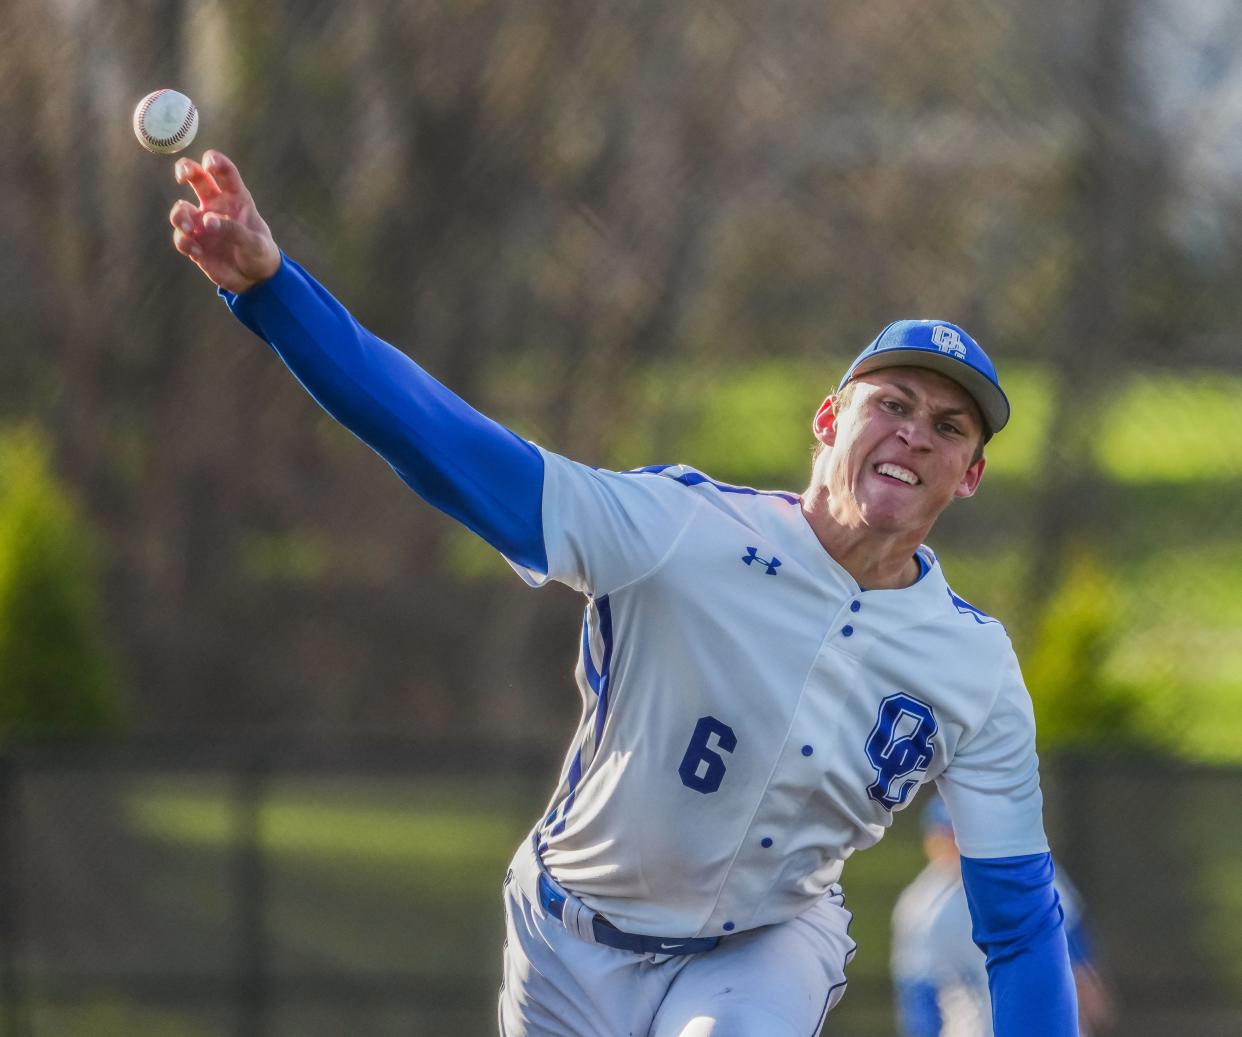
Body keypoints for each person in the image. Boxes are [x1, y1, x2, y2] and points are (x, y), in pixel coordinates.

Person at [167, 149, 1078, 1036]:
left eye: (948, 426)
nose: (917, 434)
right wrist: (275, 292)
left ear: (969, 475)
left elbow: (1020, 922)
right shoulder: (681, 533)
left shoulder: (974, 666)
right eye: (894, 405)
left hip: (761, 946)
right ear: (830, 421)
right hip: (567, 939)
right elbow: (451, 448)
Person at [892, 797, 1114, 1037]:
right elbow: (920, 993)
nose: (957, 843)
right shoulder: (923, 909)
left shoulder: (1030, 873)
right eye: (949, 834)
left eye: (964, 832)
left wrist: (1086, 981)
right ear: (932, 842)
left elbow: (1071, 937)